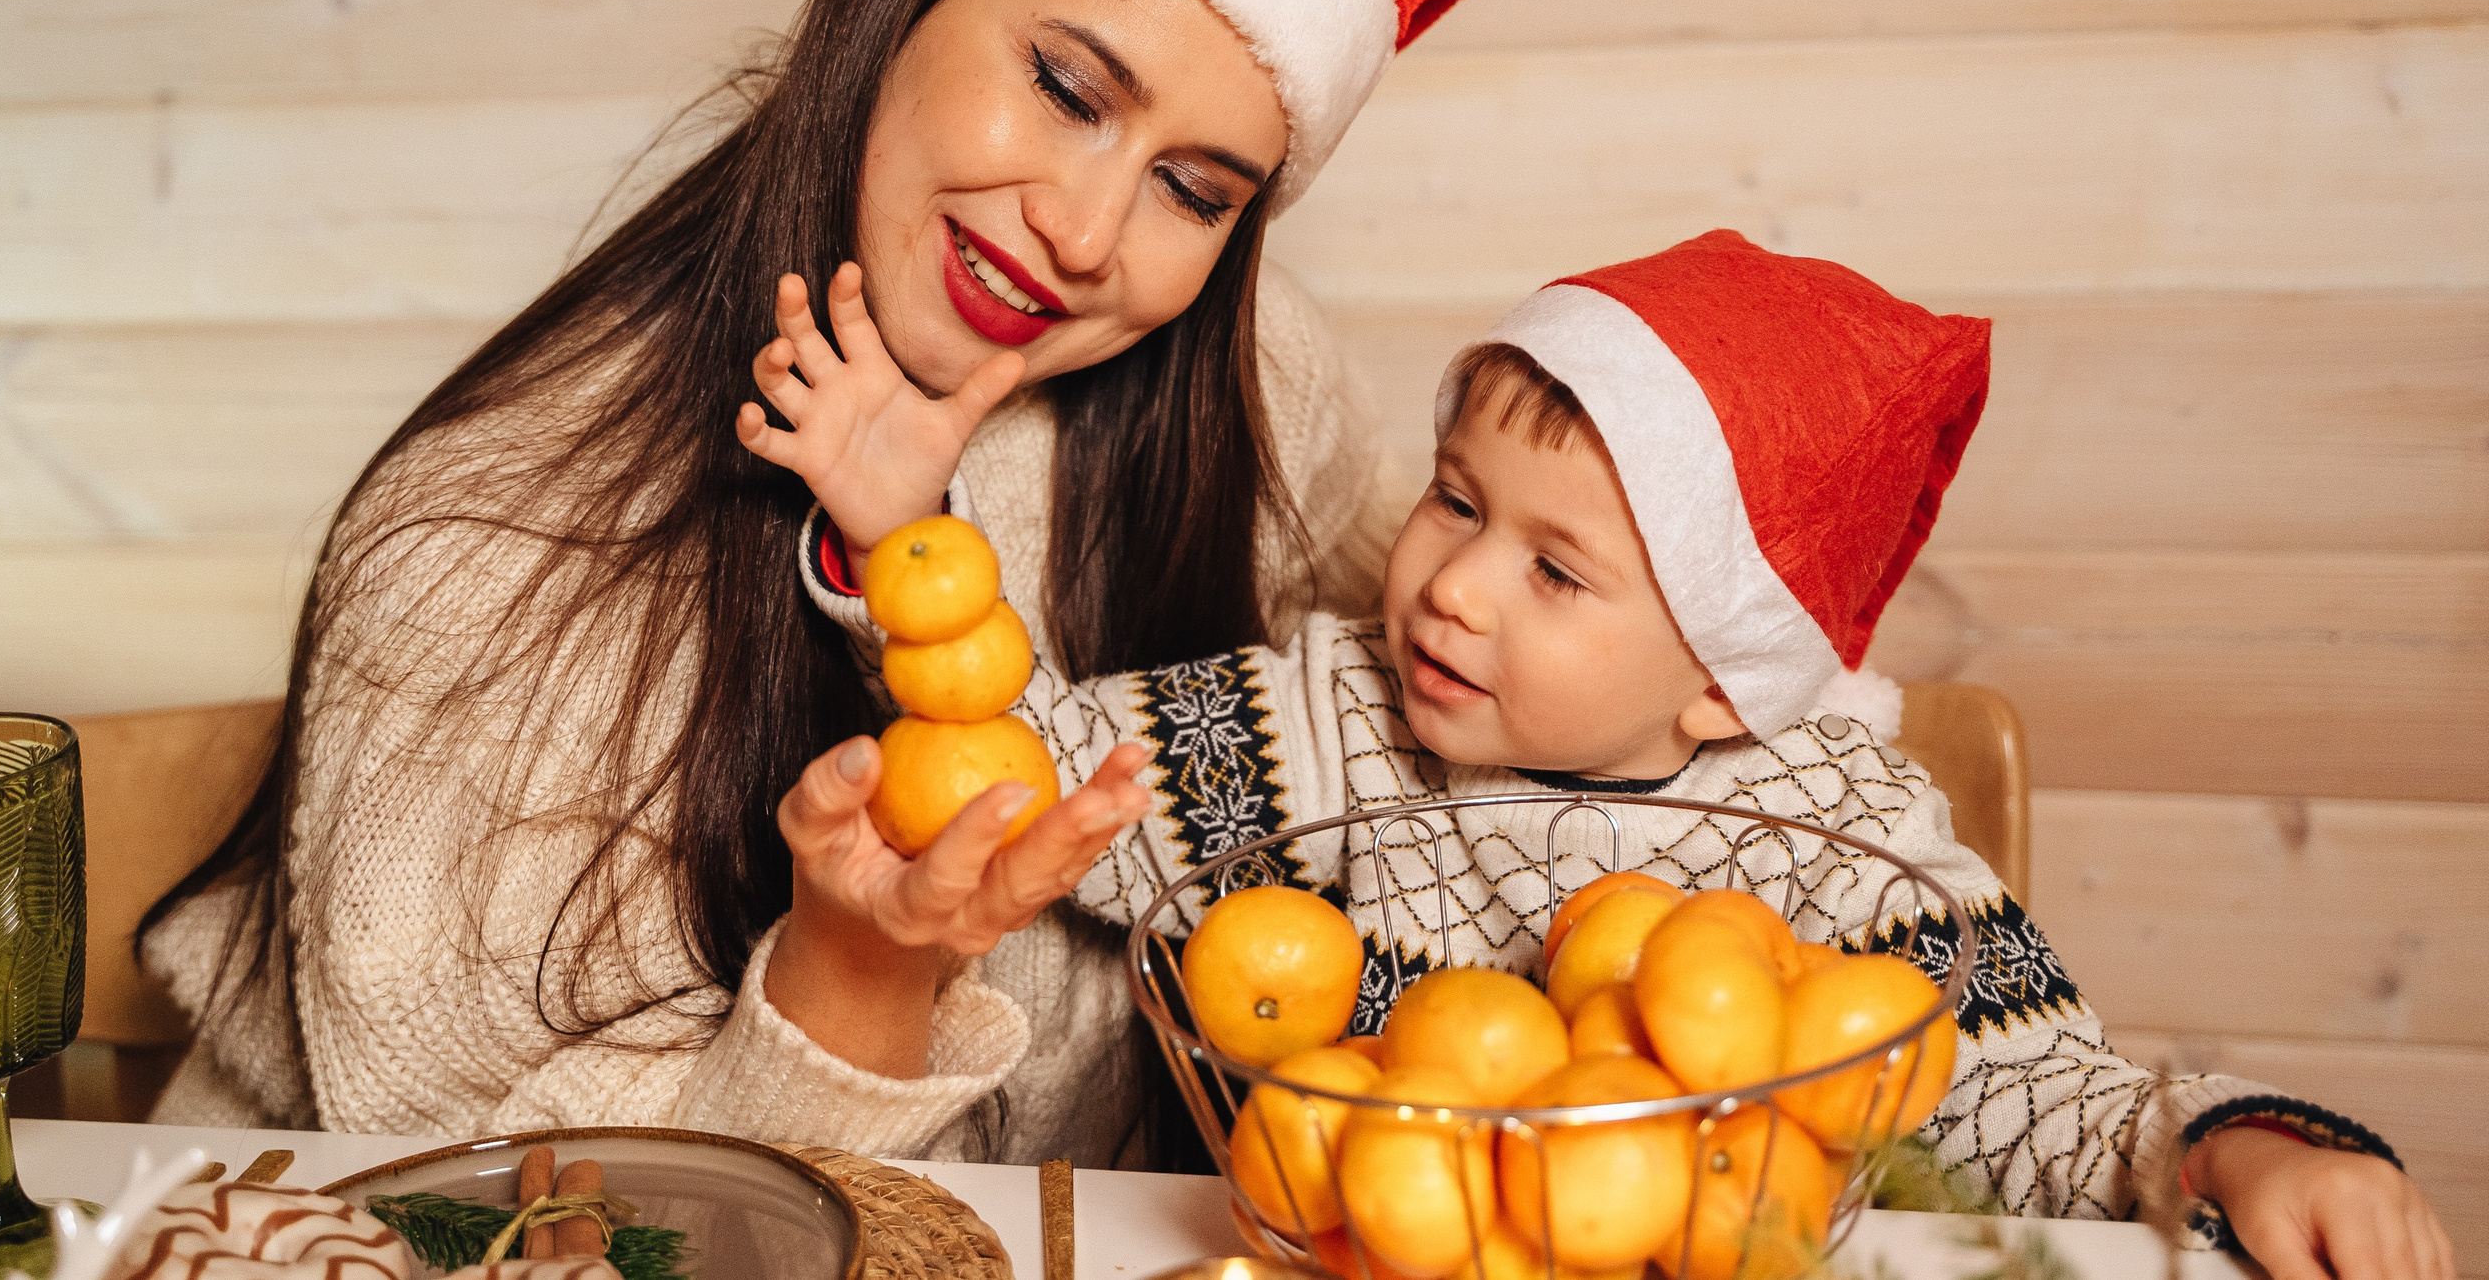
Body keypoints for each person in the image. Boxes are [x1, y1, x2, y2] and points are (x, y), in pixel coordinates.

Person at [135, 0, 1504, 1169]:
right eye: (1065, 86)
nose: (1090, 231)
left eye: (1194, 190)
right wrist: (854, 977)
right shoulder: (497, 531)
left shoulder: (1248, 385)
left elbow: (1458, 647)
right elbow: (474, 1201)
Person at [763, 230, 2452, 1279]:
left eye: (1557, 571)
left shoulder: (1836, 828)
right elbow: (1051, 788)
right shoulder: (1330, 713)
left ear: (1726, 681)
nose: (1452, 585)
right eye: (1455, 500)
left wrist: (2259, 1145)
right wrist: (906, 526)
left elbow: (2045, 1108)